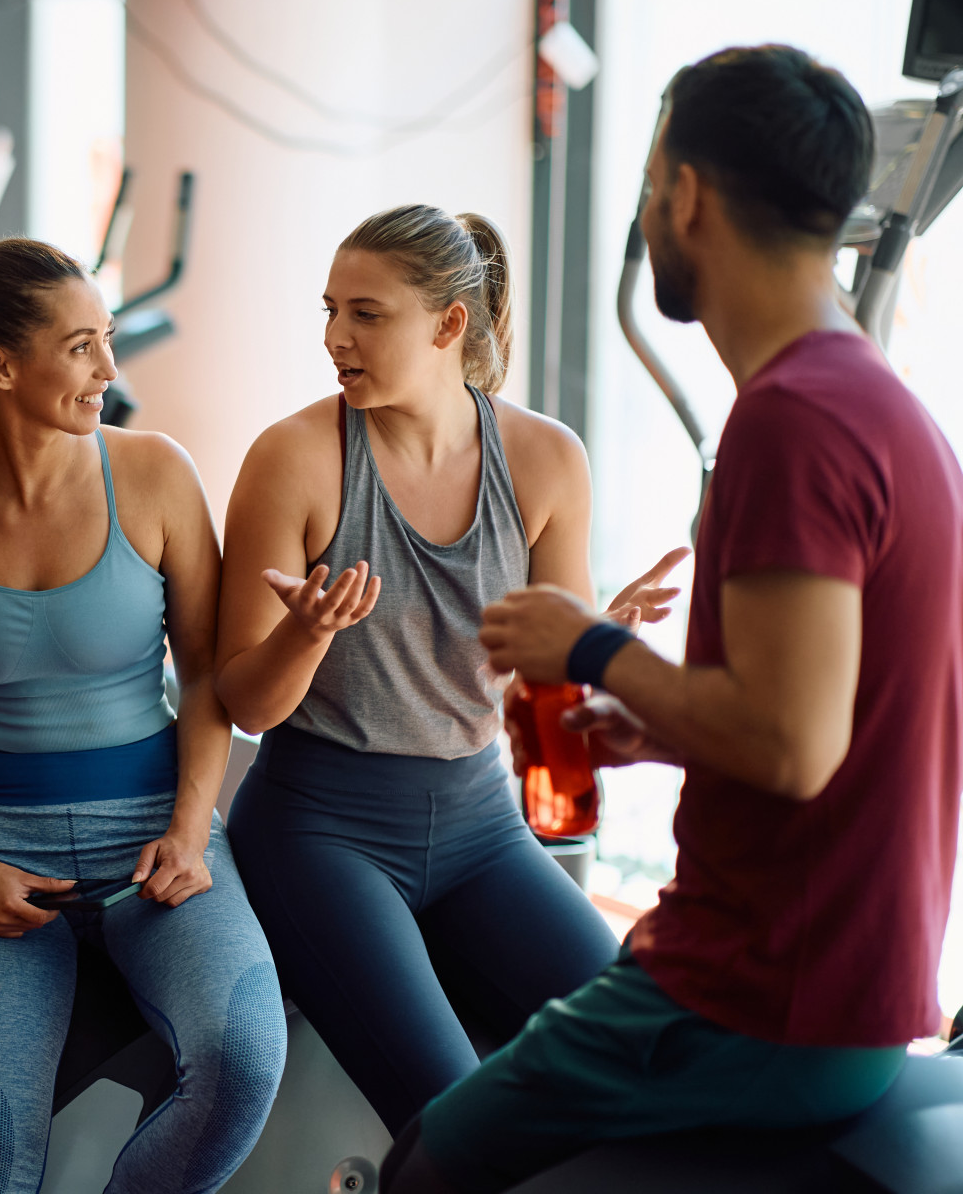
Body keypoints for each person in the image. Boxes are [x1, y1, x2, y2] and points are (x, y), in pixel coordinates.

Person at [381, 45, 963, 1193]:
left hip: (754, 999)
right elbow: (822, 712)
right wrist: (656, 719)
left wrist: (589, 642)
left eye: (650, 184)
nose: (649, 211)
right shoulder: (881, 400)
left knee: (420, 1165)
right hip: (852, 986)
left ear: (684, 194)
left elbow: (795, 744)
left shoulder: (793, 421)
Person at [214, 203, 682, 1137]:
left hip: (482, 826)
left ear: (449, 324)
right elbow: (244, 703)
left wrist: (598, 639)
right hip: (321, 832)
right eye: (329, 311)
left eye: (366, 314)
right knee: (454, 1120)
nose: (334, 338)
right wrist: (305, 635)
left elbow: (541, 685)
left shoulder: (546, 460)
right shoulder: (295, 459)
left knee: (651, 1053)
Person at [0, 239, 287, 1194]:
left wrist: (193, 831)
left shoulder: (154, 475)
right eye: (83, 347)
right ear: (2, 367)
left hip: (159, 839)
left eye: (107, 340)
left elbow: (204, 677)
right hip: (0, 850)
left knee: (243, 1062)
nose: (111, 369)